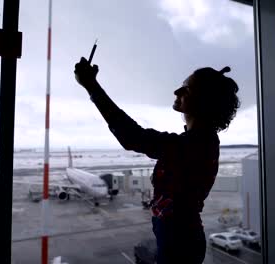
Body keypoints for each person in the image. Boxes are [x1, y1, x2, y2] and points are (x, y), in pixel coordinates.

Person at [74, 57, 240, 263]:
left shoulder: (195, 144)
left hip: (179, 244)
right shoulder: (200, 141)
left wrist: (91, 86)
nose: (176, 92)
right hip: (180, 239)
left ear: (202, 100)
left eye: (185, 89)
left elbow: (133, 136)